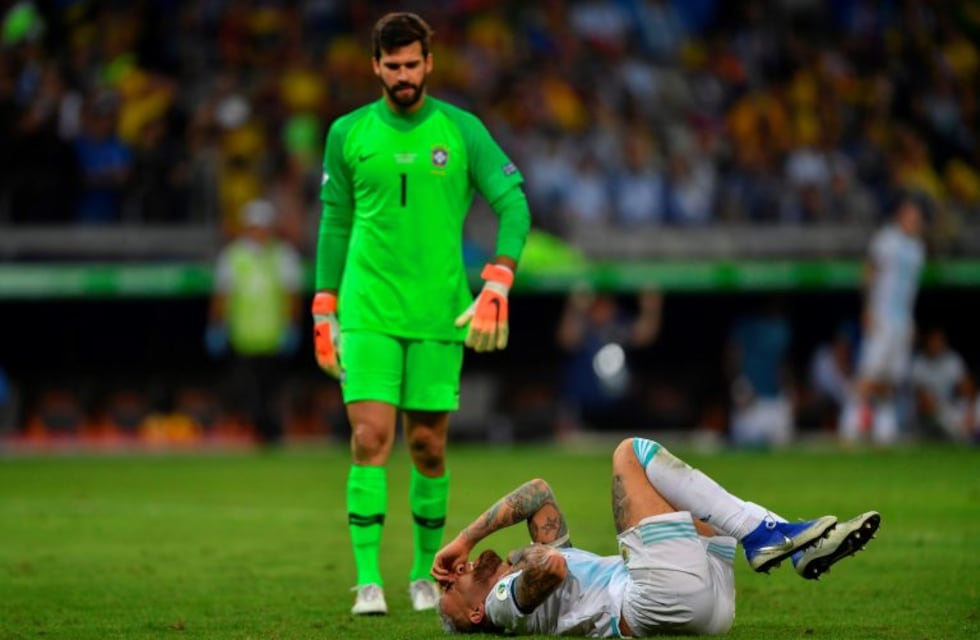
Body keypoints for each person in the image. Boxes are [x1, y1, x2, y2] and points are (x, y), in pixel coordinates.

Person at [311, 12, 532, 615]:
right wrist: (323, 306)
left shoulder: (461, 131)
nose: (403, 75)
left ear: (428, 63)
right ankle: (367, 581)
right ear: (375, 66)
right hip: (368, 309)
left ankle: (422, 574)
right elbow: (334, 220)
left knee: (429, 448)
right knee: (368, 436)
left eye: (413, 64)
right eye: (393, 65)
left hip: (439, 312)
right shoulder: (348, 133)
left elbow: (513, 203)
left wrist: (498, 279)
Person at [433, 437, 881, 636]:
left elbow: (538, 493)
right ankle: (765, 531)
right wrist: (525, 553)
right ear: (474, 615)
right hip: (650, 601)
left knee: (685, 496)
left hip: (703, 608)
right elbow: (552, 565)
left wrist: (465, 540)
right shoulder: (501, 608)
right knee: (631, 454)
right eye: (448, 591)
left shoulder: (525, 587)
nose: (450, 576)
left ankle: (778, 535)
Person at [205, 198, 303, 445]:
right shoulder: (233, 256)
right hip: (244, 337)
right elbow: (222, 295)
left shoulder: (282, 254)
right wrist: (216, 326)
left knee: (273, 391)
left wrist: (292, 327)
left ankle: (272, 433)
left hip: (273, 338)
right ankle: (260, 432)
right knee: (249, 391)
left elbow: (291, 294)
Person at [840, 197, 925, 445]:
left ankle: (884, 428)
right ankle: (850, 424)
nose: (915, 222)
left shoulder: (919, 248)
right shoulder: (886, 239)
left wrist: (911, 320)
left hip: (903, 320)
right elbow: (868, 271)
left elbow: (910, 288)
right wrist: (867, 308)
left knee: (891, 376)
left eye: (917, 218)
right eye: (911, 217)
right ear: (900, 217)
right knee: (870, 371)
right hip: (882, 315)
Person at [909, 327, 974, 442]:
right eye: (933, 341)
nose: (935, 344)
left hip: (951, 409)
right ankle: (963, 436)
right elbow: (923, 399)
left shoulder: (952, 360)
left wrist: (969, 411)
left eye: (939, 341)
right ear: (927, 342)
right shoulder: (919, 363)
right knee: (936, 409)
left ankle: (966, 433)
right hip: (927, 414)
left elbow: (966, 387)